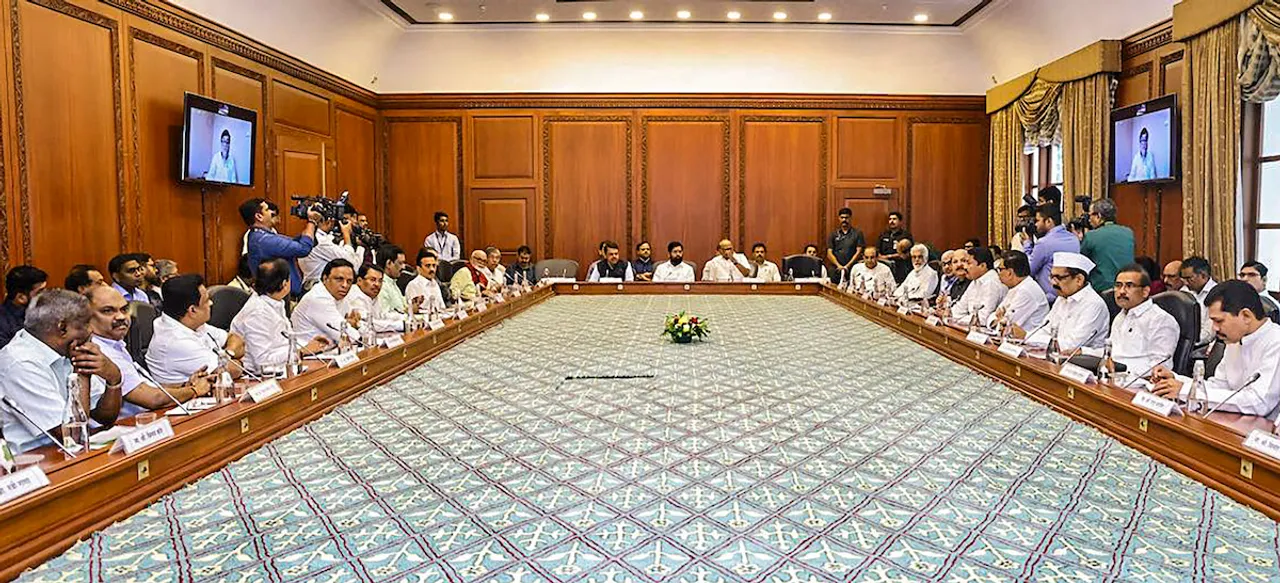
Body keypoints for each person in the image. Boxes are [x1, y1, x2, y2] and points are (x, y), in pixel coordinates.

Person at [0, 290, 123, 453]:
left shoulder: (66, 351)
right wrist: (82, 374)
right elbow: (72, 436)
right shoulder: (20, 362)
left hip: (71, 452)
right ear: (62, 328)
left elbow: (104, 417)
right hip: (38, 461)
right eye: (86, 323)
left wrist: (114, 379)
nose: (91, 331)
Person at [1151, 281, 1280, 418]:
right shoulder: (1235, 339)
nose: (1214, 328)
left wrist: (1186, 390)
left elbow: (1258, 403)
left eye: (1219, 321)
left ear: (1246, 316)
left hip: (1262, 430)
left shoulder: (1275, 341)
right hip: (1231, 421)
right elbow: (1218, 386)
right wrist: (1176, 380)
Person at [87, 285, 212, 417]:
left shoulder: (113, 343)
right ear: (86, 317)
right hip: (122, 429)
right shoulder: (97, 350)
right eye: (107, 311)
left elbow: (142, 385)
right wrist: (195, 390)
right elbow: (152, 399)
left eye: (124, 309)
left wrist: (184, 385)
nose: (120, 317)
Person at [231, 259, 332, 375]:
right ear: (284, 284)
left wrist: (308, 344)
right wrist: (301, 351)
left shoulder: (273, 302)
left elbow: (284, 342)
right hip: (259, 377)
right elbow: (262, 363)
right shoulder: (257, 313)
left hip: (284, 368)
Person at [147, 274, 246, 384]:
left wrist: (228, 354)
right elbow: (234, 370)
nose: (211, 303)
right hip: (188, 399)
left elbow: (236, 339)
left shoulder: (190, 323)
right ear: (192, 310)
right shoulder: (175, 341)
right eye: (207, 300)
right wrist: (236, 360)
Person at [1018, 252, 1110, 350]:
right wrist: (1027, 336)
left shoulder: (1093, 304)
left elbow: (1072, 345)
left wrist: (1028, 338)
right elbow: (1046, 329)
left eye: (1059, 278)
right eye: (1052, 277)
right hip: (1054, 356)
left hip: (1081, 362)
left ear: (1079, 280)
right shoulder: (1062, 298)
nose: (1053, 283)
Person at [241, 197, 319, 298]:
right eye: (267, 209)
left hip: (283, 296)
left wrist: (313, 225)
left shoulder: (262, 236)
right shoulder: (263, 240)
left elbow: (295, 243)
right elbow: (303, 249)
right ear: (259, 216)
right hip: (280, 298)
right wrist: (312, 221)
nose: (272, 212)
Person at [1109, 264, 1179, 374]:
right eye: (1118, 285)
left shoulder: (1160, 320)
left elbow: (1160, 366)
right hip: (1113, 377)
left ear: (1145, 291)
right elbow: (1112, 351)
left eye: (1129, 285)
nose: (1121, 291)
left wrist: (1119, 370)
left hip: (1137, 383)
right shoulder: (1121, 316)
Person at [291, 259, 362, 345]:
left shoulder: (339, 295)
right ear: (325, 279)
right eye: (339, 279)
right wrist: (352, 326)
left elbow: (359, 322)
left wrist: (354, 325)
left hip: (330, 351)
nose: (345, 285)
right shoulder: (318, 298)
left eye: (349, 281)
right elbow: (350, 336)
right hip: (308, 354)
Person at [1026, 204, 1079, 303]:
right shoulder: (1074, 239)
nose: (1035, 225)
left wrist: (1027, 244)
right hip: (1070, 295)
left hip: (1048, 298)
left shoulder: (1044, 243)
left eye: (1037, 221)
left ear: (1049, 221)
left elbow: (1028, 270)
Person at [1080, 199, 1134, 293]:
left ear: (1098, 216)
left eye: (1090, 215)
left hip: (1102, 291)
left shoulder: (1091, 236)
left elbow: (1081, 264)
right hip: (1128, 288)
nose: (1088, 219)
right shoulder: (1129, 232)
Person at [990, 250, 1049, 334]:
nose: (998, 274)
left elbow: (1007, 327)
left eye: (1000, 269)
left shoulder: (1027, 291)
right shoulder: (1016, 287)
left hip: (1029, 343)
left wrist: (1000, 320)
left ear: (1010, 273)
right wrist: (998, 320)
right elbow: (994, 316)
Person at [298, 214, 362, 290]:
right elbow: (352, 265)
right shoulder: (321, 241)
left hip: (311, 286)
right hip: (321, 289)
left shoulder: (307, 236)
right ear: (329, 221)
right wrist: (346, 235)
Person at [945, 248, 1006, 326]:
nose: (965, 267)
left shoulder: (992, 282)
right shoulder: (975, 281)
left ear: (983, 266)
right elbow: (960, 308)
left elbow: (983, 318)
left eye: (969, 263)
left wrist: (958, 320)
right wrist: (948, 313)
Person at [348, 263, 412, 333]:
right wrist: (401, 325)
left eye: (380, 281)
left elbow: (383, 315)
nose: (377, 284)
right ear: (359, 281)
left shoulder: (373, 295)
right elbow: (369, 324)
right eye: (372, 280)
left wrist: (406, 318)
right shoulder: (354, 296)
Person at [1, 266, 48, 349]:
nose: (45, 295)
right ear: (21, 298)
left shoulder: (43, 312)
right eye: (40, 292)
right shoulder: (3, 324)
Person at [1180, 256, 1218, 345]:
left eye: (1189, 278)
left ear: (1203, 276)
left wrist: (1187, 343)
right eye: (1183, 279)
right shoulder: (1184, 291)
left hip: (1201, 345)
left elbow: (1209, 333)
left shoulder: (1217, 293)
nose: (1185, 283)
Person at [826, 208, 864, 284]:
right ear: (839, 218)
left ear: (850, 218)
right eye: (842, 218)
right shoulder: (833, 234)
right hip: (836, 267)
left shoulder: (857, 233)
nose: (844, 220)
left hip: (852, 266)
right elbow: (829, 253)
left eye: (846, 218)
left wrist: (847, 266)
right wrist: (838, 265)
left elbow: (859, 251)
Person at [405, 249, 447, 316]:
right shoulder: (413, 285)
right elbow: (414, 312)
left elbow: (442, 307)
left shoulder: (435, 283)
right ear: (419, 268)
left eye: (434, 266)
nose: (432, 269)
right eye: (428, 266)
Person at [877, 212, 914, 283]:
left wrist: (888, 256)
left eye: (894, 219)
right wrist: (881, 257)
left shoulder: (906, 235)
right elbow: (877, 249)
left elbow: (907, 254)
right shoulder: (884, 234)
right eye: (890, 219)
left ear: (900, 221)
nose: (891, 221)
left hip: (899, 266)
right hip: (884, 264)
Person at [374, 244, 410, 314]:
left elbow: (402, 308)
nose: (404, 267)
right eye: (400, 263)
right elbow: (386, 315)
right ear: (389, 263)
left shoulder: (393, 282)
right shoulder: (381, 285)